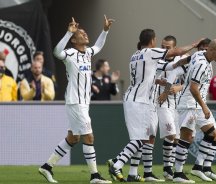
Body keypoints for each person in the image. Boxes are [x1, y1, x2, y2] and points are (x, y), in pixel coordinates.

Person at [107, 28, 200, 182]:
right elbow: (175, 52)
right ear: (152, 41)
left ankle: (132, 173)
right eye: (156, 41)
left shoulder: (135, 55)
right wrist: (194, 44)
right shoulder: (150, 52)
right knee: (141, 139)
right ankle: (117, 163)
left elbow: (168, 67)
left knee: (141, 138)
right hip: (140, 101)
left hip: (134, 98)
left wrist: (185, 61)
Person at [38, 16, 114, 184]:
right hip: (75, 101)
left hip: (83, 103)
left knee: (73, 138)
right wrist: (68, 32)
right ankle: (95, 176)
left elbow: (98, 46)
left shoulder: (87, 53)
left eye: (85, 32)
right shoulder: (70, 53)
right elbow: (57, 52)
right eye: (82, 33)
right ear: (74, 39)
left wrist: (105, 30)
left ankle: (47, 167)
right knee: (89, 137)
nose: (85, 35)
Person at [159, 39, 216, 183]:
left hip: (197, 103)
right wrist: (204, 106)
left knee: (214, 134)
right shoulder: (201, 65)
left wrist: (175, 65)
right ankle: (178, 173)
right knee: (186, 138)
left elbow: (188, 58)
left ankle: (202, 168)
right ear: (211, 50)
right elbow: (193, 88)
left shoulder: (201, 54)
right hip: (189, 104)